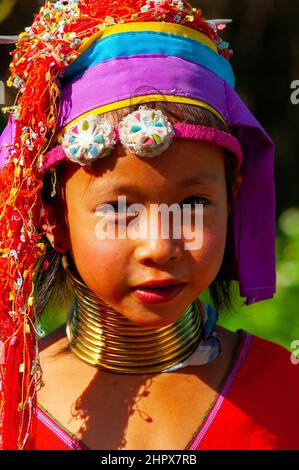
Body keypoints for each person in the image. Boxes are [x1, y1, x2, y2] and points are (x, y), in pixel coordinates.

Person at [0, 0, 298, 451]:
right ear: (53, 218)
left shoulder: (286, 390)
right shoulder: (11, 409)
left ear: (233, 200)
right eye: (119, 211)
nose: (160, 246)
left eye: (194, 204)